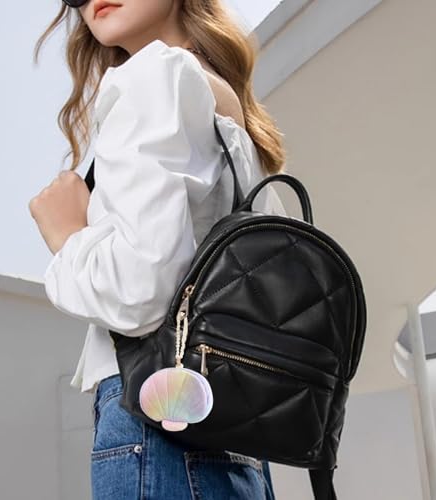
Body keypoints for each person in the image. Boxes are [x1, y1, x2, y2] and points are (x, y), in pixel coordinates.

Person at [29, 1, 288, 498]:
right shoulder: (222, 101)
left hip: (156, 418)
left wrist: (68, 236)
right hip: (231, 433)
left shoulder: (154, 74)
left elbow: (139, 291)